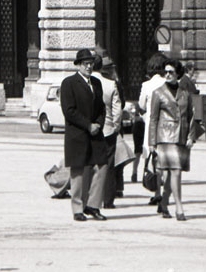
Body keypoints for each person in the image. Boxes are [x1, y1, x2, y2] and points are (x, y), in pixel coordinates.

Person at [59, 49, 109, 222]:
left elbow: (102, 108)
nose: (89, 67)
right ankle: (78, 208)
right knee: (78, 172)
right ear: (78, 65)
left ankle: (93, 205)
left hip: (96, 132)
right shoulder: (69, 83)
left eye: (91, 64)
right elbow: (69, 111)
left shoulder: (96, 83)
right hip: (78, 133)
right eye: (86, 64)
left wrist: (99, 125)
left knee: (102, 166)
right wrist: (88, 125)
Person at [149, 59, 199, 221]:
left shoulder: (185, 93)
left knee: (172, 174)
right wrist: (151, 142)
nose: (168, 75)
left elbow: (191, 117)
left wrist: (192, 137)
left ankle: (163, 202)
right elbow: (153, 118)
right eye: (166, 72)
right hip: (165, 137)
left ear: (178, 73)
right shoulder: (158, 92)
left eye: (171, 72)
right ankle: (179, 207)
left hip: (182, 137)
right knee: (175, 172)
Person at [137, 52, 167, 206]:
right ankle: (165, 193)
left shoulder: (146, 85)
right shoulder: (168, 83)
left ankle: (157, 193)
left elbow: (141, 105)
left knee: (153, 161)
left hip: (151, 127)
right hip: (167, 127)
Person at [92, 55, 122, 209]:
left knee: (91, 164)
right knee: (109, 165)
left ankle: (92, 198)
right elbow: (117, 110)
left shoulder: (86, 83)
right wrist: (116, 126)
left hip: (91, 129)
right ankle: (108, 200)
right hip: (108, 129)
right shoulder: (111, 84)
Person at [127, 102, 145, 183]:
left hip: (139, 124)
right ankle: (136, 173)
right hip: (141, 124)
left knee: (139, 151)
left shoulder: (135, 104)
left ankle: (135, 173)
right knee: (141, 151)